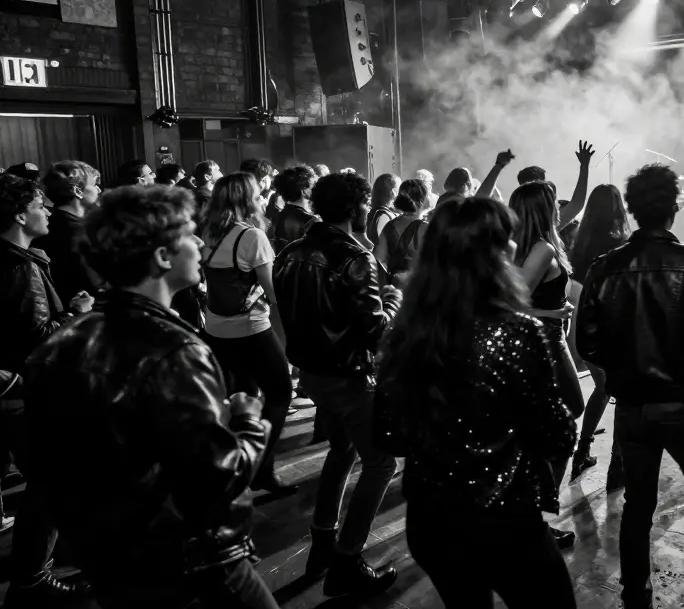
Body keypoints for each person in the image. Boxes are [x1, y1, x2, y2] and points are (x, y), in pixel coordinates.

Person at [23, 185, 277, 608]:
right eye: (190, 234)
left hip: (108, 558)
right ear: (162, 257)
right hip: (190, 560)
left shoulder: (63, 341)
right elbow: (218, 476)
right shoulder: (175, 350)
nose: (199, 243)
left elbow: (47, 464)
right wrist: (249, 422)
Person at [376, 197, 578, 607]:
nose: (512, 247)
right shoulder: (518, 331)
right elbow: (556, 437)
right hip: (504, 521)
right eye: (506, 239)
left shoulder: (407, 330)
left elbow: (388, 435)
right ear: (497, 253)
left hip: (431, 521)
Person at [576, 164, 684, 609]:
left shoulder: (604, 268)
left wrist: (619, 371)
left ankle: (636, 596)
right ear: (674, 207)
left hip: (632, 407)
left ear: (632, 210)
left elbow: (586, 343)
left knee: (637, 505)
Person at [273, 172, 402, 598]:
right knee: (382, 464)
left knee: (342, 450)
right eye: (366, 205)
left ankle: (323, 542)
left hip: (312, 374)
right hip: (349, 375)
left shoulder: (291, 252)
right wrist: (394, 299)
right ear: (355, 208)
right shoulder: (354, 258)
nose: (369, 211)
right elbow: (375, 332)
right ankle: (347, 561)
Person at [0, 174, 95, 606]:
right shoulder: (20, 266)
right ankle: (32, 579)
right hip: (27, 390)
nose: (48, 211)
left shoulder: (15, 257)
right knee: (49, 480)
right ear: (21, 215)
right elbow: (37, 338)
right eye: (40, 205)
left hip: (16, 390)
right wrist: (76, 314)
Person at [199, 173, 295, 495]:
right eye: (256, 194)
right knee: (281, 392)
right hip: (250, 329)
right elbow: (273, 292)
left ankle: (239, 465)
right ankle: (262, 469)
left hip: (216, 330)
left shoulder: (209, 232)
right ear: (247, 199)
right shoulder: (252, 236)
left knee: (243, 398)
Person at [508, 180, 585, 550]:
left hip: (543, 340)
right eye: (554, 204)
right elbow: (509, 303)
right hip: (544, 341)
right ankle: (533, 517)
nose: (560, 209)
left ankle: (528, 511)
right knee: (570, 413)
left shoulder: (527, 246)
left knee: (550, 421)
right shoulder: (539, 248)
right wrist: (551, 311)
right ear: (544, 209)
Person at [566, 184, 630, 486]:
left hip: (583, 327)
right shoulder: (620, 246)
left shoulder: (578, 243)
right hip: (612, 328)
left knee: (603, 388)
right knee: (620, 391)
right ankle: (617, 462)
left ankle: (582, 450)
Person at [34, 160, 104, 306]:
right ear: (78, 191)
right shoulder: (77, 232)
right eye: (95, 185)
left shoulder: (51, 222)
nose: (99, 190)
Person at [373, 179, 429, 289]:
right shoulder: (425, 228)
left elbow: (378, 259)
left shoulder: (389, 226)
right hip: (417, 291)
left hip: (394, 290)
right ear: (423, 200)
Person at [271, 165, 318, 254]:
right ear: (303, 190)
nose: (315, 188)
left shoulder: (279, 215)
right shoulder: (311, 221)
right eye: (313, 185)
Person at [367, 174, 401, 247]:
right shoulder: (383, 216)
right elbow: (381, 244)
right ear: (393, 192)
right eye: (400, 188)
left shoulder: (385, 213)